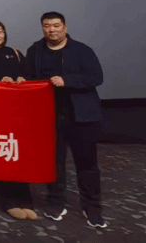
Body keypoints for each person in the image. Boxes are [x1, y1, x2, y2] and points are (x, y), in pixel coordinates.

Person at [26, 12, 107, 228]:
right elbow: (30, 77)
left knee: (87, 165)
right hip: (49, 117)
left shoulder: (82, 50)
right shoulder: (35, 51)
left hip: (82, 117)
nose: (51, 30)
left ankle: (92, 207)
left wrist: (67, 80)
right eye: (47, 26)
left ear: (65, 27)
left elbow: (96, 77)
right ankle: (56, 202)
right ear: (42, 28)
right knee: (54, 164)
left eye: (56, 25)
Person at [0, 19, 37, 220]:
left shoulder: (15, 53)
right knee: (4, 154)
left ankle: (26, 201)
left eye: (1, 31)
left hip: (18, 112)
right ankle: (9, 202)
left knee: (19, 155)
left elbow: (29, 74)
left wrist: (23, 79)